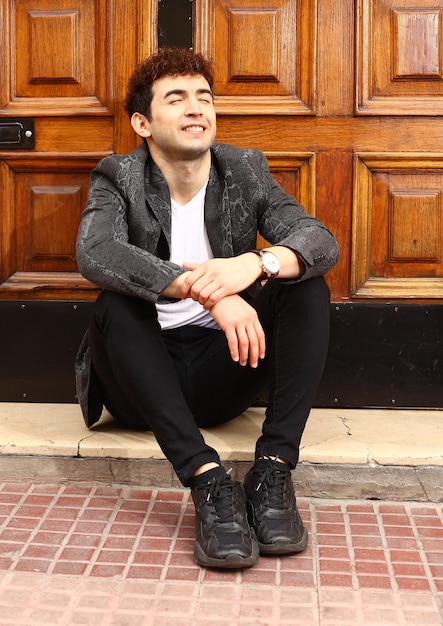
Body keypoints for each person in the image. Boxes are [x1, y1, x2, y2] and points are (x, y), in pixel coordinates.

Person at [75, 47, 339, 569]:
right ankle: (208, 482)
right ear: (143, 123)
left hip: (225, 372)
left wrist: (257, 264)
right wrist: (208, 293)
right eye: (176, 98)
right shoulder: (117, 176)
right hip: (142, 385)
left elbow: (319, 239)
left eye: (205, 97)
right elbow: (95, 250)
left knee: (305, 283)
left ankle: (273, 469)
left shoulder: (243, 169)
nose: (197, 108)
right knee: (115, 305)